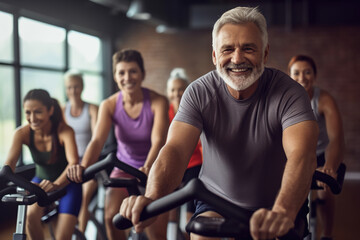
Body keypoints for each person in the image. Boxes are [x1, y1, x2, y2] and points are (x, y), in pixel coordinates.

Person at [119, 6, 319, 240]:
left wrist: (283, 210)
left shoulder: (290, 93)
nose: (237, 58)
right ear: (214, 56)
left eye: (248, 48)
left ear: (265, 53)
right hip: (215, 201)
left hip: (276, 204)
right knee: (202, 234)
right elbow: (175, 149)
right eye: (227, 49)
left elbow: (302, 155)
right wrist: (152, 198)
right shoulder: (198, 92)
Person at [67, 49, 170, 240]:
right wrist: (84, 166)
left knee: (155, 232)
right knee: (111, 218)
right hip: (124, 167)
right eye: (121, 72)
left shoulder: (158, 102)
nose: (127, 77)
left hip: (154, 167)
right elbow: (97, 141)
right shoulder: (109, 104)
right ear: (115, 76)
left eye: (133, 71)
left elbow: (158, 141)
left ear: (142, 74)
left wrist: (148, 166)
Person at [4, 89, 82, 240]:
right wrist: (13, 176)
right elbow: (10, 165)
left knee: (62, 238)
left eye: (38, 112)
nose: (32, 118)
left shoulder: (64, 131)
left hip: (67, 185)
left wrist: (56, 185)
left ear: (50, 110)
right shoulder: (22, 133)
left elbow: (73, 162)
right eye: (28, 112)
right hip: (39, 182)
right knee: (30, 219)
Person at [288, 55, 344, 240]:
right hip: (295, 155)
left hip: (321, 154)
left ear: (315, 75)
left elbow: (336, 139)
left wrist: (329, 166)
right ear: (290, 75)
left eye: (307, 72)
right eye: (296, 73)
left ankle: (327, 235)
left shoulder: (324, 100)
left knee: (324, 192)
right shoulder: (285, 99)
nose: (302, 77)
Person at [166, 68, 203, 239]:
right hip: (175, 164)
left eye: (181, 89)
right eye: (173, 90)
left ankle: (188, 230)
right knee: (169, 206)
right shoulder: (165, 114)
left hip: (194, 164)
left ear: (187, 89)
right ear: (168, 92)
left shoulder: (195, 110)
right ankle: (173, 232)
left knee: (189, 208)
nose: (177, 93)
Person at [62, 70, 99, 234]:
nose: (73, 91)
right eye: (69, 87)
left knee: (84, 195)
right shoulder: (62, 110)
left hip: (88, 163)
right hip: (69, 163)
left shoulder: (92, 109)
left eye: (76, 86)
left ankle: (81, 233)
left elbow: (97, 139)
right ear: (66, 89)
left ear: (82, 87)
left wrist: (84, 164)